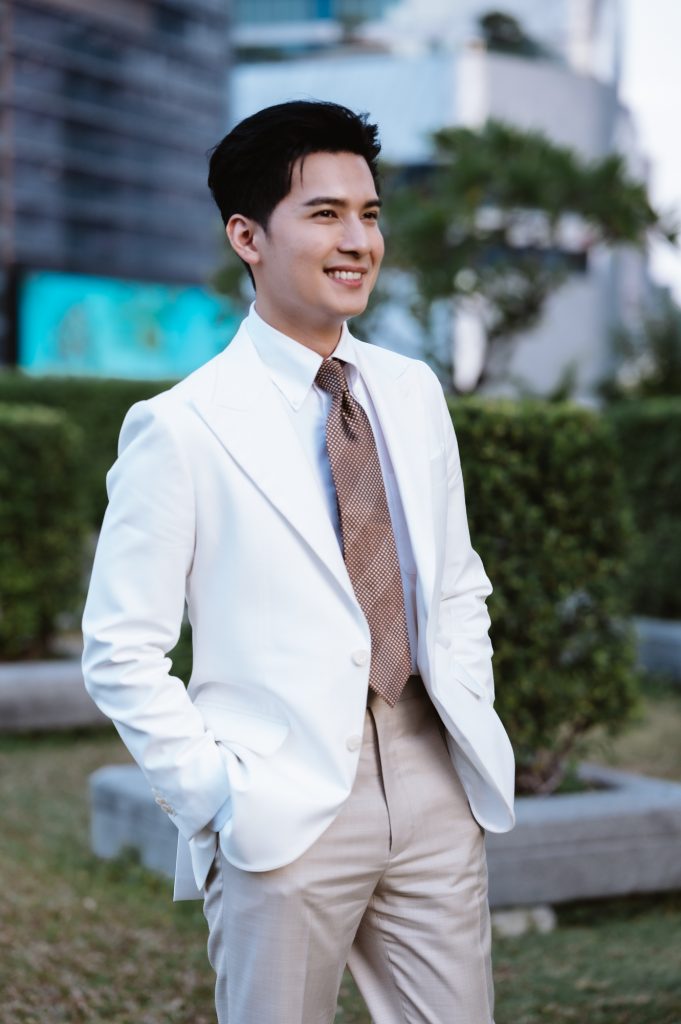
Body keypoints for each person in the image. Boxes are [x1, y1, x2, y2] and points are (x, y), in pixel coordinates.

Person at [82, 99, 515, 1024]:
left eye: (368, 214)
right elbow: (120, 649)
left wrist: (465, 712)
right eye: (324, 214)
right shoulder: (180, 427)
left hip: (432, 779)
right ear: (247, 236)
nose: (357, 240)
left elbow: (456, 583)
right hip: (276, 812)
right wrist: (217, 801)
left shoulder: (412, 390)